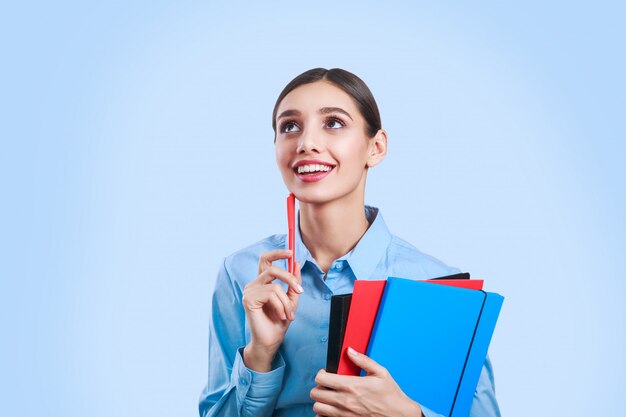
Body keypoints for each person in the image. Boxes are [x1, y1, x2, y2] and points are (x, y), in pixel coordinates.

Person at [199, 68, 501, 417]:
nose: (306, 142)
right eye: (290, 126)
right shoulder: (242, 273)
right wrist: (259, 355)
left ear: (376, 147)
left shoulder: (439, 286)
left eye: (333, 123)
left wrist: (409, 416)